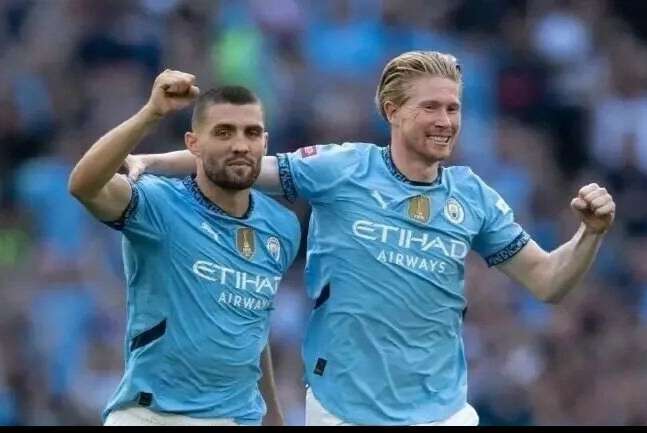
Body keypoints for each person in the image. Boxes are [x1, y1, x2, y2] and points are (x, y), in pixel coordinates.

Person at [127, 51, 616, 426]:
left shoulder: (473, 196)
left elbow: (548, 281)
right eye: (430, 107)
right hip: (342, 407)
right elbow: (242, 162)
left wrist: (589, 234)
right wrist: (151, 162)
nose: (445, 120)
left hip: (442, 411)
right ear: (392, 111)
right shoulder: (343, 168)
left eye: (453, 108)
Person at [68, 69, 301, 426]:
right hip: (150, 414)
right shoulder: (158, 204)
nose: (240, 144)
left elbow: (253, 325)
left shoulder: (282, 226)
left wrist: (274, 420)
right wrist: (151, 114)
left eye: (251, 132)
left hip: (236, 417)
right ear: (193, 144)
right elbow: (84, 185)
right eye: (223, 132)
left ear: (265, 143)